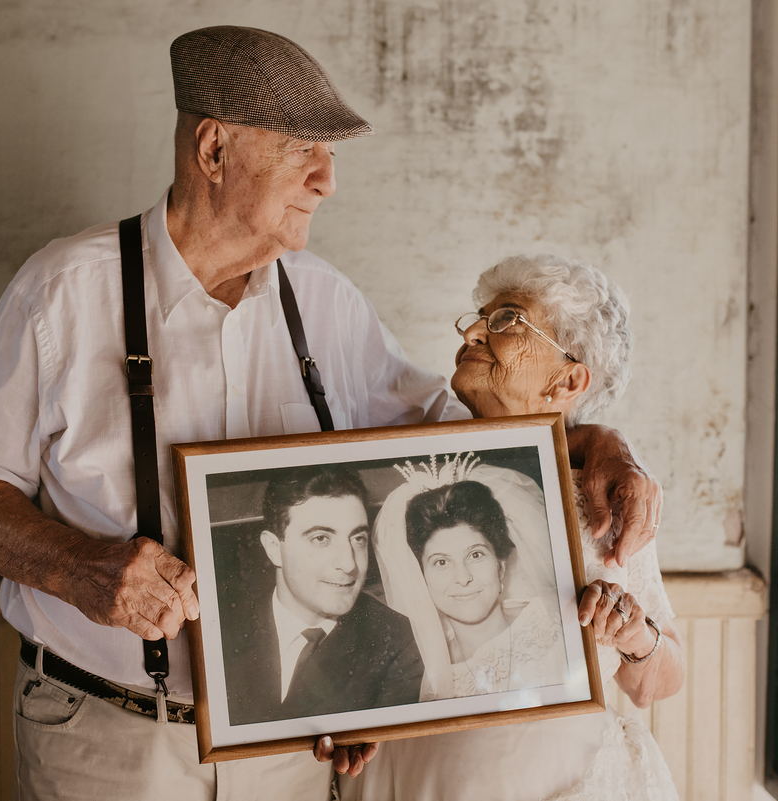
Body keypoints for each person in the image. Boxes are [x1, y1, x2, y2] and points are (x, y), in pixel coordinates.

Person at [0, 24, 664, 799]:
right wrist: (80, 569)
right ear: (213, 151)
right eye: (301, 152)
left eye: (331, 157)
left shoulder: (325, 302)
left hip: (286, 757)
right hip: (106, 736)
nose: (326, 181)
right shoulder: (60, 292)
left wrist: (601, 440)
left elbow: (465, 427)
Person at [342, 254, 686, 801]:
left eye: (506, 319)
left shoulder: (605, 503)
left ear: (568, 378)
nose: (475, 330)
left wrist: (633, 635)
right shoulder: (414, 430)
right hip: (407, 779)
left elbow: (658, 683)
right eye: (480, 316)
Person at [222, 465, 422, 724]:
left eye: (357, 539)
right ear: (273, 548)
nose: (349, 564)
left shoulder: (398, 641)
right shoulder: (221, 627)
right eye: (321, 539)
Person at [377, 468, 567, 701]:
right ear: (422, 580)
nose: (463, 577)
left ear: (501, 566)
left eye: (475, 555)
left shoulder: (557, 622)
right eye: (441, 562)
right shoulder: (425, 676)